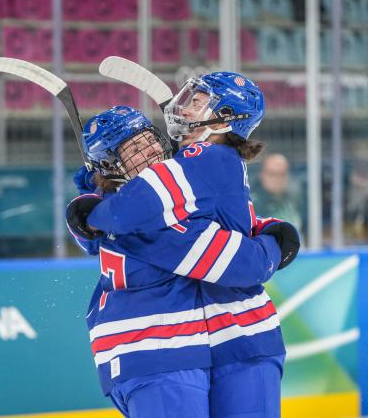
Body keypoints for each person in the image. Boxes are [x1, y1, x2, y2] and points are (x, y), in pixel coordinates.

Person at [66, 101, 299, 417]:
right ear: (109, 166)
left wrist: (261, 224)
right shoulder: (137, 219)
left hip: (213, 344)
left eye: (149, 138)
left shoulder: (160, 199)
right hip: (155, 350)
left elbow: (226, 217)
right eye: (134, 148)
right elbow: (244, 264)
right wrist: (273, 243)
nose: (149, 150)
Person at [251, 153, 304, 237]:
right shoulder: (253, 203)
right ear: (262, 174)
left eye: (282, 174)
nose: (277, 179)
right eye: (272, 174)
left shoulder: (296, 199)